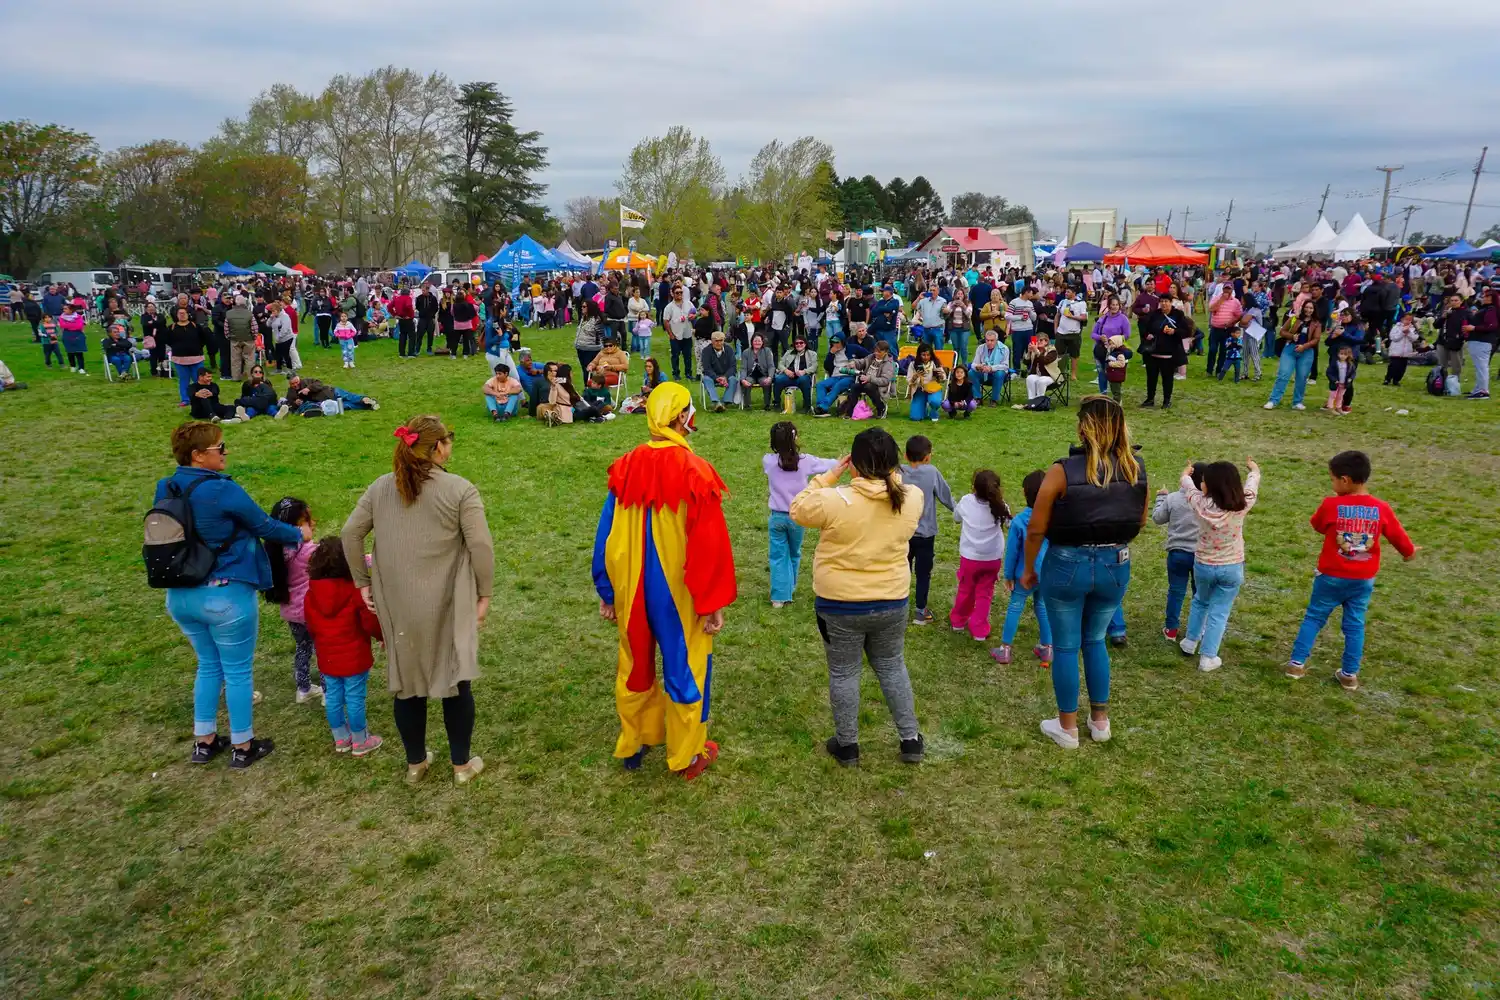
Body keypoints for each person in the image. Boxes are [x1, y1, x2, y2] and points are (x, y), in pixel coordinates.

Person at [592, 383, 736, 779]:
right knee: (686, 666)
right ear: (680, 417)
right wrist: (712, 603)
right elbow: (709, 544)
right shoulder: (695, 471)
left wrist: (607, 589)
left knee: (635, 664)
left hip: (631, 587)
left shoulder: (626, 465)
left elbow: (606, 533)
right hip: (678, 592)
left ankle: (635, 740)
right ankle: (686, 754)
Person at [342, 416, 493, 783]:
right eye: (449, 439)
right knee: (455, 678)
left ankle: (415, 765)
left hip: (397, 601)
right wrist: (484, 593)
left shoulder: (381, 488)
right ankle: (461, 766)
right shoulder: (460, 490)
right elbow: (481, 546)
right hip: (450, 599)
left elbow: (350, 533)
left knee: (407, 683)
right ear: (438, 447)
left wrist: (363, 583)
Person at [153, 421, 309, 768]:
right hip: (225, 595)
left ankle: (204, 741)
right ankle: (242, 745)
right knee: (237, 672)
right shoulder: (222, 489)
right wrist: (299, 535)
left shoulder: (166, 487)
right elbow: (264, 526)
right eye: (220, 448)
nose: (225, 453)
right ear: (198, 455)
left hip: (180, 595)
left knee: (208, 665)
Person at [791, 427, 925, 767]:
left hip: (839, 605)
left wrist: (829, 476)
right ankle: (910, 739)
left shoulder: (834, 500)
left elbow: (798, 509)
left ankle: (847, 745)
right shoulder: (912, 497)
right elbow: (892, 489)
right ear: (895, 462)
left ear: (854, 463)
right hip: (891, 600)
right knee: (892, 666)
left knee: (843, 673)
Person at [1022, 396, 1148, 749]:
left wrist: (1029, 568)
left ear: (1083, 428)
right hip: (1115, 563)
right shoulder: (1136, 467)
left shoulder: (1062, 471)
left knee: (1066, 646)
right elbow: (1140, 520)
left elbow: (1036, 528)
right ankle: (1100, 720)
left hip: (1066, 563)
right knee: (1095, 640)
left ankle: (1067, 727)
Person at [1286, 450, 1418, 690]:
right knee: (1355, 625)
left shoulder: (1331, 504)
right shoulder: (1381, 508)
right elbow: (1397, 535)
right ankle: (1349, 674)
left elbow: (1317, 525)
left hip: (1330, 576)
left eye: (1333, 479)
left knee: (1314, 617)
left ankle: (1296, 664)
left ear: (1344, 480)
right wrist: (1409, 552)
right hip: (1362, 579)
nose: (1332, 484)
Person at [302, 535, 385, 755]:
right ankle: (360, 740)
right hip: (355, 657)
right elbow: (369, 621)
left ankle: (340, 737)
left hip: (327, 657)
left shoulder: (311, 594)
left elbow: (311, 625)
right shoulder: (355, 591)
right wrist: (381, 636)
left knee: (333, 697)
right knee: (355, 697)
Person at [1175, 459, 1260, 672]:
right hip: (1231, 567)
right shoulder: (1242, 504)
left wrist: (1186, 473)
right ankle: (1208, 656)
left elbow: (1187, 485)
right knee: (1219, 611)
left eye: (1204, 481)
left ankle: (1190, 641)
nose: (1201, 484)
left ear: (1212, 486)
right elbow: (1252, 487)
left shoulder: (1199, 503)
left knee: (1200, 601)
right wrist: (1254, 470)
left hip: (1203, 565)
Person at [763, 422, 839, 608]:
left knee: (778, 556)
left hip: (777, 517)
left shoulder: (768, 461)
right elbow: (827, 464)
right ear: (794, 438)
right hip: (798, 516)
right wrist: (842, 461)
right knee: (794, 553)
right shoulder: (806, 461)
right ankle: (790, 588)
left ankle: (779, 596)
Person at [262, 497, 323, 703]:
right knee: (323, 649)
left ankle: (303, 689)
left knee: (303, 647)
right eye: (307, 520)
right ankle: (329, 690)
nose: (313, 523)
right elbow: (339, 561)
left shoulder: (274, 551)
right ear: (294, 527)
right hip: (311, 610)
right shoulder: (309, 552)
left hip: (291, 612)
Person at [992, 470, 1052, 666]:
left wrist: (1008, 575)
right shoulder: (1053, 521)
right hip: (1046, 575)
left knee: (1015, 607)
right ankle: (1047, 648)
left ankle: (1005, 649)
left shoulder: (1019, 522)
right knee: (1042, 606)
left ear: (1024, 493)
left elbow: (1012, 552)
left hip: (1023, 575)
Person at [949, 469, 1010, 642]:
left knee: (965, 588)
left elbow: (956, 518)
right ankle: (979, 630)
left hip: (970, 558)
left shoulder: (966, 501)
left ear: (974, 487)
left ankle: (958, 622)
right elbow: (1010, 523)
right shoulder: (1001, 506)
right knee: (985, 593)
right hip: (992, 559)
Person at [900, 435, 954, 627]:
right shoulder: (932, 472)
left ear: (905, 455)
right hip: (925, 535)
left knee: (901, 569)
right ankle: (920, 612)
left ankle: (898, 608)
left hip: (903, 533)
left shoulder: (897, 472)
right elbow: (946, 496)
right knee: (923, 573)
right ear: (928, 457)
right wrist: (961, 512)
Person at [1151, 464, 1203, 643]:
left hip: (1178, 553)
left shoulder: (1173, 498)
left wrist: (1161, 497)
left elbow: (1157, 518)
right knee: (1200, 594)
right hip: (1201, 556)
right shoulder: (1209, 502)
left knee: (1176, 591)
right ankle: (1197, 630)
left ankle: (1171, 629)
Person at [1263, 301, 1322, 410]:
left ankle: (1297, 402)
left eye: (1311, 308)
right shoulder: (1295, 318)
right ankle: (1273, 400)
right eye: (1307, 307)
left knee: (1302, 377)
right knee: (1283, 374)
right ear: (1303, 308)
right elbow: (1282, 332)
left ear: (1314, 310)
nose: (1308, 310)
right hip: (1290, 349)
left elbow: (1316, 339)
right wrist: (1292, 336)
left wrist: (1304, 346)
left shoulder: (1316, 323)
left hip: (1306, 352)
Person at [1139, 295, 1186, 409]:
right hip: (1153, 351)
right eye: (1162, 301)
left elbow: (1186, 331)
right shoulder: (1155, 314)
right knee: (1151, 377)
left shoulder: (1178, 315)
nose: (1164, 303)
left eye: (1166, 301)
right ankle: (1150, 399)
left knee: (1167, 378)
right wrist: (1147, 335)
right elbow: (1145, 327)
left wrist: (1174, 331)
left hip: (1169, 352)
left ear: (1171, 302)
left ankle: (1166, 401)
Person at [841, 338, 896, 418]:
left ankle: (881, 407)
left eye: (879, 352)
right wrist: (854, 363)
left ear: (886, 352)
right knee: (854, 387)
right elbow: (862, 362)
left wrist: (869, 379)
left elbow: (885, 380)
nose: (876, 353)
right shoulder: (871, 357)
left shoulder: (888, 364)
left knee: (869, 387)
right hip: (865, 382)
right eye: (875, 351)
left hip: (880, 387)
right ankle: (849, 412)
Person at [1466, 285, 1497, 399]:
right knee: (1479, 367)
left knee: (1482, 367)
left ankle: (1483, 391)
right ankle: (1478, 389)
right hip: (1478, 340)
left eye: (1487, 297)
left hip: (1482, 341)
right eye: (1484, 296)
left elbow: (1491, 326)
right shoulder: (1486, 309)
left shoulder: (1491, 310)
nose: (1484, 298)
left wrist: (1474, 328)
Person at [774, 334, 818, 413]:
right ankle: (776, 403)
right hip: (789, 376)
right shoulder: (789, 353)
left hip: (803, 376)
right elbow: (780, 364)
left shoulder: (812, 354)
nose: (799, 345)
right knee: (778, 379)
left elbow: (814, 366)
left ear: (805, 344)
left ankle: (807, 406)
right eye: (796, 343)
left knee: (803, 380)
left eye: (801, 343)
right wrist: (786, 371)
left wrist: (804, 371)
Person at [905, 341, 947, 422]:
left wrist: (941, 376)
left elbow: (943, 378)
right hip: (919, 390)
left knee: (935, 401)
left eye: (928, 355)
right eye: (923, 355)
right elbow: (909, 381)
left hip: (933, 389)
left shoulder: (935, 363)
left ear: (931, 355)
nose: (926, 357)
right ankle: (923, 410)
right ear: (919, 355)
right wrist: (915, 377)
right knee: (915, 417)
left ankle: (934, 411)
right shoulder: (913, 364)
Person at [662, 285, 696, 380]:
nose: (679, 294)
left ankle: (688, 373)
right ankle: (676, 373)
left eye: (681, 292)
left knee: (688, 355)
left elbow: (694, 314)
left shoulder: (688, 303)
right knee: (675, 355)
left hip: (687, 333)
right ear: (672, 294)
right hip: (675, 335)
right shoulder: (669, 307)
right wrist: (671, 334)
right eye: (677, 293)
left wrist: (693, 317)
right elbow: (666, 321)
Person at [699, 330, 738, 411]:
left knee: (733, 379)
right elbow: (707, 368)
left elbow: (733, 367)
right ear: (711, 341)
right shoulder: (706, 351)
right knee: (706, 379)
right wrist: (716, 378)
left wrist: (725, 377)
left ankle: (724, 403)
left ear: (724, 340)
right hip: (712, 376)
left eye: (721, 340)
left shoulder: (729, 349)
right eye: (716, 341)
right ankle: (716, 402)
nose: (719, 343)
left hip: (726, 375)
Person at [971, 330, 1010, 405]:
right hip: (983, 373)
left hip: (998, 375)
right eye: (987, 340)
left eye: (992, 340)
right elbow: (974, 364)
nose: (989, 342)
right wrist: (978, 366)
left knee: (999, 373)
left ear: (996, 340)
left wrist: (991, 368)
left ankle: (994, 400)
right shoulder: (980, 348)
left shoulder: (1004, 348)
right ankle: (977, 398)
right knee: (971, 372)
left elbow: (1005, 366)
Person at [739, 332, 776, 411]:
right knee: (747, 382)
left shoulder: (767, 351)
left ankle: (767, 405)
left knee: (767, 383)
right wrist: (742, 379)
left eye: (759, 341)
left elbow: (771, 366)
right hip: (750, 375)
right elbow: (743, 368)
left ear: (762, 342)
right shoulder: (746, 352)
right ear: (752, 342)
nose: (757, 343)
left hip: (763, 374)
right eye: (755, 341)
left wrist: (770, 377)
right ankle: (747, 405)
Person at [1020, 331, 1060, 404]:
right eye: (1037, 340)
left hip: (1050, 376)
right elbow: (1026, 362)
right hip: (1038, 375)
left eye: (1041, 340)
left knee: (1042, 380)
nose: (1039, 342)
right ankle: (1031, 401)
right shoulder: (1034, 350)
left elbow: (1045, 361)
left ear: (1046, 341)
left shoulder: (1052, 351)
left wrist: (1037, 351)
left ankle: (1039, 402)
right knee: (1030, 378)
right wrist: (1029, 352)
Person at [1384, 312, 1418, 387]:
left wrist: (1408, 333)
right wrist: (1402, 333)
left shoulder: (1412, 328)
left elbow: (1414, 338)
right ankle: (1388, 379)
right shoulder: (1396, 327)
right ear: (1402, 319)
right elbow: (1393, 337)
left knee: (1402, 368)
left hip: (1406, 353)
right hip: (1396, 351)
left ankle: (1396, 380)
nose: (1408, 321)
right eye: (1406, 319)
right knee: (1393, 366)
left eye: (1410, 320)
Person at [1324, 344, 1358, 414]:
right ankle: (1330, 408)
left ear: (1348, 355)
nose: (1342, 356)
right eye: (1341, 354)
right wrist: (1334, 380)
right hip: (1335, 384)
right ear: (1338, 354)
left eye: (1345, 354)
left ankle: (1338, 407)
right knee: (1333, 395)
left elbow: (1353, 373)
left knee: (1340, 396)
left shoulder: (1350, 364)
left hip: (1344, 384)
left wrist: (1350, 378)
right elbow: (1329, 373)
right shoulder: (1335, 363)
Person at [59, 302, 89, 375]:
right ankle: (72, 366)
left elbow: (79, 326)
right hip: (67, 334)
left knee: (79, 352)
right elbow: (63, 325)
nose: (64, 310)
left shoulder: (78, 317)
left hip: (77, 335)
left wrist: (69, 325)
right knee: (70, 351)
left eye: (66, 309)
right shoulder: (61, 317)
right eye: (63, 309)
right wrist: (72, 325)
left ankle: (81, 368)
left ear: (71, 310)